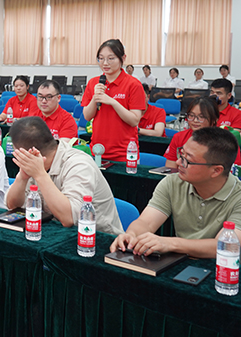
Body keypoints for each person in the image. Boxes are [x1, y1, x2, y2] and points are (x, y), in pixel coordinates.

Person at [111, 127, 241, 259]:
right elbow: (146, 222)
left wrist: (170, 243)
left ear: (216, 170)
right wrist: (132, 235)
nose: (178, 162)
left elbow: (224, 246)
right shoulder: (173, 182)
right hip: (181, 262)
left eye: (187, 160)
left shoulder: (238, 197)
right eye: (181, 154)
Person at [5, 117, 123, 234]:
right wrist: (22, 177)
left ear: (24, 151)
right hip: (56, 233)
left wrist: (40, 175)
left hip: (98, 238)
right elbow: (12, 206)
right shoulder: (33, 162)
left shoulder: (79, 164)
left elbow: (69, 218)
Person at [82, 39, 145, 162]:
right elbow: (87, 116)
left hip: (124, 153)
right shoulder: (93, 83)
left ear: (123, 58)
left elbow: (134, 121)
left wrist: (113, 102)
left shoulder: (133, 84)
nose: (105, 63)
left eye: (111, 58)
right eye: (101, 58)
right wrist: (95, 98)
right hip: (97, 151)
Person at [164, 97, 221, 168]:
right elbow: (170, 167)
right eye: (191, 115)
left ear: (214, 119)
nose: (195, 120)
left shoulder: (222, 141)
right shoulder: (179, 137)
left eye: (201, 117)